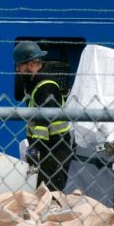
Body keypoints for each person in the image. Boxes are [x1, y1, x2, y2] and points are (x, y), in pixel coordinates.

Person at [14, 40, 74, 192]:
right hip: (47, 149)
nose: (18, 70)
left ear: (32, 64)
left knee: (50, 193)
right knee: (41, 192)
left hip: (55, 149)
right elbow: (19, 95)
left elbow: (42, 123)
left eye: (20, 66)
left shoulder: (46, 86)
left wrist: (34, 150)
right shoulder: (35, 83)